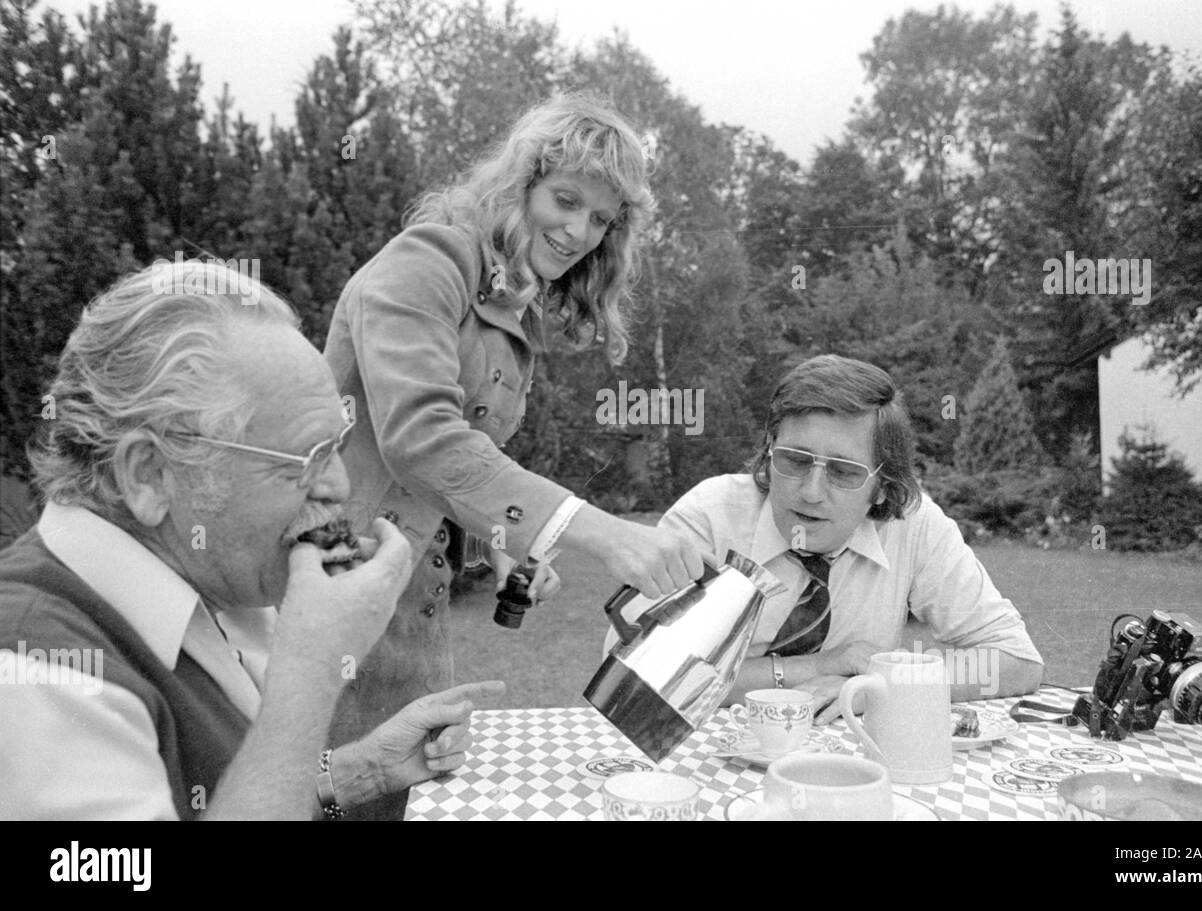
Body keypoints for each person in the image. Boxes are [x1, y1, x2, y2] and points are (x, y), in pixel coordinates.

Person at [0, 261, 504, 820]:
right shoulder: (36, 671)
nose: (339, 485)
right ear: (149, 474)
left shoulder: (209, 583)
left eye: (337, 447)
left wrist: (363, 770)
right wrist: (311, 672)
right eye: (308, 458)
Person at [323, 93, 704, 807]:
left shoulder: (511, 309)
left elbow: (459, 465)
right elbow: (421, 438)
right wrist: (600, 532)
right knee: (321, 794)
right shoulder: (427, 261)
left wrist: (500, 543)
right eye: (566, 199)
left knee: (403, 802)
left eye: (601, 218)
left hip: (414, 617)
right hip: (330, 605)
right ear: (518, 183)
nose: (579, 231)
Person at [608, 354, 1043, 722]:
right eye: (795, 461)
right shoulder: (710, 518)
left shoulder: (915, 525)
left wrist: (881, 685)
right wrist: (818, 667)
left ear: (882, 485)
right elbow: (632, 678)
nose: (812, 492)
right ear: (768, 451)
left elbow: (1016, 662)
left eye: (844, 472)